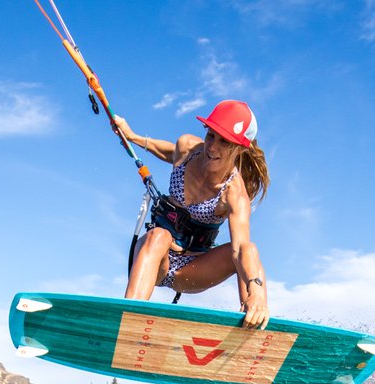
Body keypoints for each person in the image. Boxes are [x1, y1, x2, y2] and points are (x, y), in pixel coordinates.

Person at [114, 99, 272, 329]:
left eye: (224, 142)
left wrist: (255, 289)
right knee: (158, 235)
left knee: (249, 252)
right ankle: (129, 319)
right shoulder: (188, 148)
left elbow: (241, 250)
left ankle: (254, 318)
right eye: (211, 135)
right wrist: (132, 137)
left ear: (239, 148)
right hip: (156, 260)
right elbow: (169, 151)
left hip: (192, 271)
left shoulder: (234, 195)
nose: (212, 147)